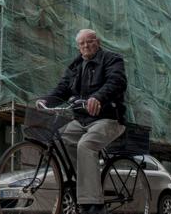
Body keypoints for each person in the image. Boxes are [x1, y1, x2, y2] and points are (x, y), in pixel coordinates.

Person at [36, 29, 127, 214]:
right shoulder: (76, 66)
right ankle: (83, 185)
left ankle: (94, 204)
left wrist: (98, 98)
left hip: (109, 118)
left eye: (89, 41)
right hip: (82, 120)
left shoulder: (111, 59)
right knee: (60, 139)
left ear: (98, 42)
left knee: (85, 145)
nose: (86, 46)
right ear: (78, 47)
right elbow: (62, 88)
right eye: (82, 43)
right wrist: (46, 100)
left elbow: (116, 81)